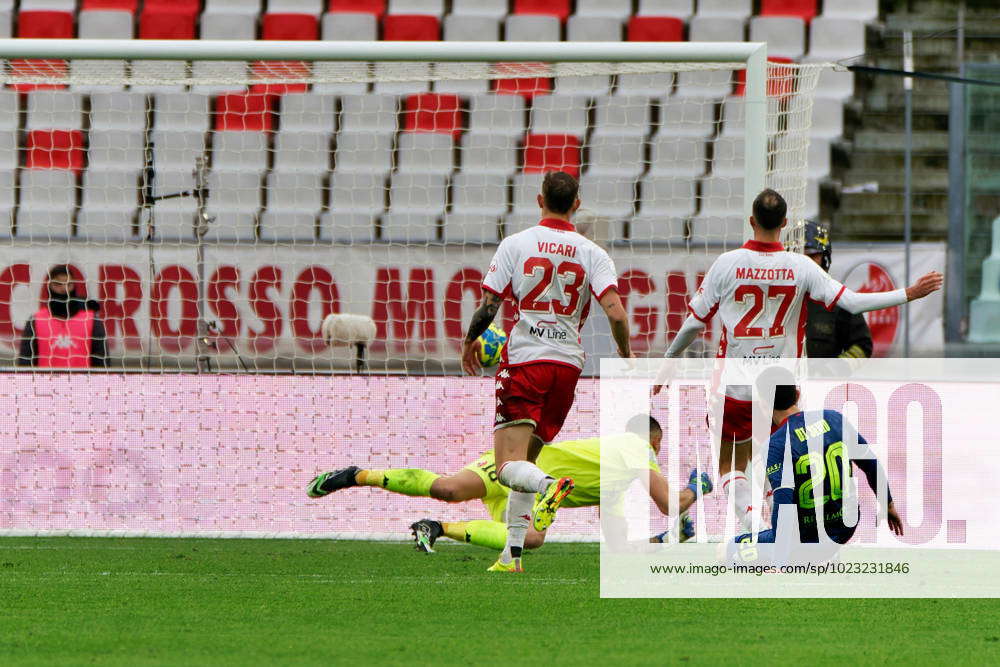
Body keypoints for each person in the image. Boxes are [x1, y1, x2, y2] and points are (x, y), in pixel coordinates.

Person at [656, 189, 941, 532]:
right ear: (785, 225)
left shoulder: (726, 264)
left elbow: (693, 322)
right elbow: (851, 302)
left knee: (729, 465)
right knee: (781, 461)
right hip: (780, 386)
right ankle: (789, 524)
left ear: (751, 221)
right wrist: (907, 294)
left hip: (733, 387)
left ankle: (752, 529)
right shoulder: (800, 266)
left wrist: (668, 361)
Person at [458, 171, 632, 573]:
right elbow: (616, 313)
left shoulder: (516, 244)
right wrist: (625, 352)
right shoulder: (593, 253)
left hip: (526, 362)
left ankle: (548, 486)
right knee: (528, 458)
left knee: (506, 469)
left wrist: (471, 339)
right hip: (567, 368)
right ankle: (511, 556)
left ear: (540, 201)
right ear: (576, 204)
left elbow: (489, 305)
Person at [305, 415, 712, 552]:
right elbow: (669, 501)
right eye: (657, 447)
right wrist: (699, 486)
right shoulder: (633, 445)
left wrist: (667, 538)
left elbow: (619, 546)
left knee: (531, 541)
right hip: (515, 466)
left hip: (528, 493)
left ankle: (437, 529)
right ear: (652, 440)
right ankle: (356, 475)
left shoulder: (615, 481)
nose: (656, 456)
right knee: (449, 489)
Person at [729, 374, 902, 564]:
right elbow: (870, 463)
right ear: (797, 394)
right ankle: (817, 556)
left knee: (728, 550)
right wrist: (888, 504)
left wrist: (778, 554)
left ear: (764, 405)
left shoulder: (775, 444)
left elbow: (784, 505)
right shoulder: (834, 418)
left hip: (807, 538)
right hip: (846, 527)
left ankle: (801, 558)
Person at [803, 221, 873, 360]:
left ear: (825, 258)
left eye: (812, 255)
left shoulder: (839, 300)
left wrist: (834, 370)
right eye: (800, 255)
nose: (805, 261)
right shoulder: (778, 297)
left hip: (824, 381)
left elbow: (862, 345)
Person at [17, 265, 108, 369]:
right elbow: (25, 364)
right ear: (49, 286)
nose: (64, 289)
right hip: (45, 384)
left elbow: (102, 363)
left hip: (82, 384)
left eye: (68, 284)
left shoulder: (91, 320)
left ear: (74, 286)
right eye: (58, 284)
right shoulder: (36, 320)